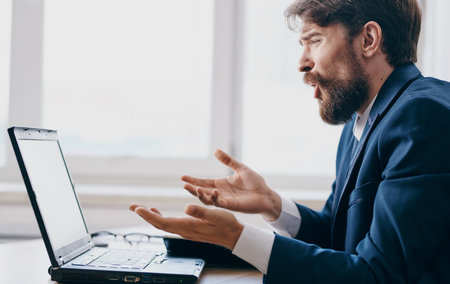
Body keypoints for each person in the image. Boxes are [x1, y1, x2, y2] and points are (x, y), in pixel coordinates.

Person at [130, 0, 450, 282]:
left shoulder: (420, 118)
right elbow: (337, 236)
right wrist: (272, 205)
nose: (302, 62)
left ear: (368, 39)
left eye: (314, 40)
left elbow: (379, 275)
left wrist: (236, 237)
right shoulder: (368, 116)